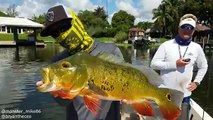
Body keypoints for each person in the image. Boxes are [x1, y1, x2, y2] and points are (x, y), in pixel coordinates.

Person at [36, 5, 123, 120]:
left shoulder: (111, 51)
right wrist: (56, 90)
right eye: (55, 33)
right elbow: (62, 103)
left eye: (64, 27)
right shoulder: (58, 62)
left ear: (76, 22)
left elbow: (126, 86)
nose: (61, 34)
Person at [150, 14, 208, 119]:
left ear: (194, 30)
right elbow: (153, 64)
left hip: (184, 94)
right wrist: (175, 64)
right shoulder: (166, 45)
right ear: (179, 28)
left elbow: (203, 66)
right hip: (165, 93)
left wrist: (196, 82)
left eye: (190, 28)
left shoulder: (197, 48)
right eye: (184, 27)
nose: (187, 30)